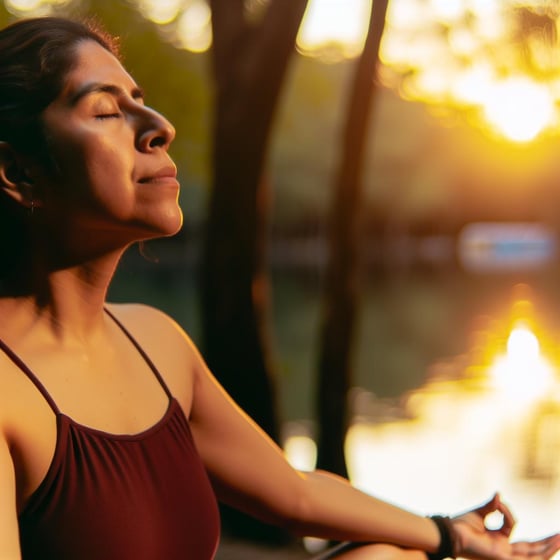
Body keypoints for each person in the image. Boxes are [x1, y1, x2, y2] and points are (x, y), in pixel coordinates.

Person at [0, 15, 558, 560]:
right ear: (16, 170)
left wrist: (448, 535)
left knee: (391, 556)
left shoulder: (157, 343)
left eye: (140, 99)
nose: (159, 126)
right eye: (104, 111)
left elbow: (296, 493)